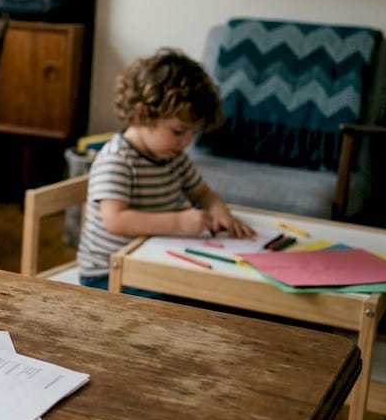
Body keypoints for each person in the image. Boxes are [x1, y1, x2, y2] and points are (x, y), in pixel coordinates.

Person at [76, 48, 254, 290]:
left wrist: (220, 210)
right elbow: (116, 220)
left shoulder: (173, 157)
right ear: (142, 115)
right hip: (107, 274)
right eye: (179, 131)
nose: (187, 142)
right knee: (189, 302)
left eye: (193, 133)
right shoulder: (116, 160)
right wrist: (179, 222)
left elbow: (201, 193)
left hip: (154, 261)